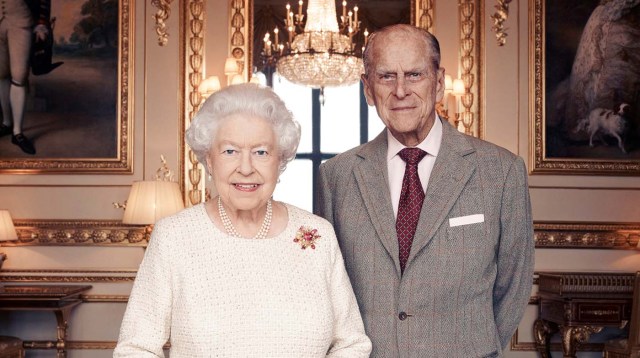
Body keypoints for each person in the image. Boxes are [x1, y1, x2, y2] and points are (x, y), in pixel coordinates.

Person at [317, 24, 534, 357]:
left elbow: (514, 285)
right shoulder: (337, 177)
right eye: (386, 76)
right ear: (368, 89)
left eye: (415, 74)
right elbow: (328, 290)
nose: (400, 90)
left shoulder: (501, 171)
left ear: (439, 82)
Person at [114, 83, 371, 357]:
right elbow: (135, 348)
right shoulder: (174, 237)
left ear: (280, 160)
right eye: (230, 151)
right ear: (209, 160)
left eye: (261, 152)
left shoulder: (317, 235)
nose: (246, 168)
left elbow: (351, 343)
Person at [0, 0, 52, 155]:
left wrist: (42, 23)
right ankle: (6, 123)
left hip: (21, 22)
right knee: (1, 75)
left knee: (19, 77)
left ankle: (17, 133)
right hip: (1, 23)